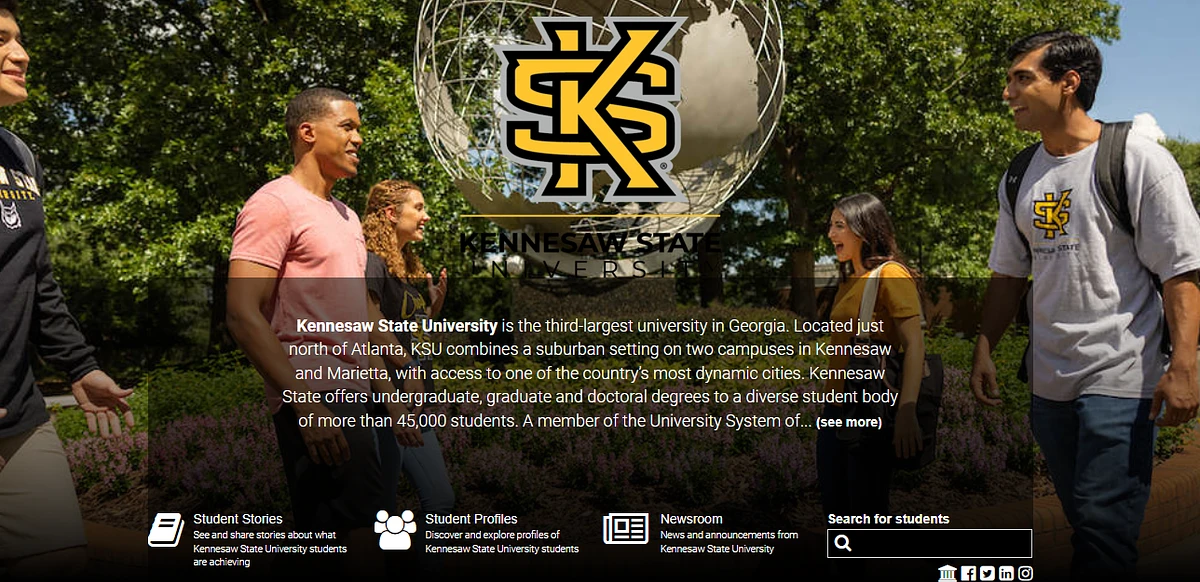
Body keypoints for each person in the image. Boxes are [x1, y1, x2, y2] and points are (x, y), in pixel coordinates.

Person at [971, 30, 1200, 577]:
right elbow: (1008, 274)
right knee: (1088, 524)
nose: (1008, 92)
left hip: (1122, 376)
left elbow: (1182, 269)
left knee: (1102, 531)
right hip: (1049, 382)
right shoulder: (1019, 175)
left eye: (1022, 78)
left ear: (1068, 83)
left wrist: (1185, 364)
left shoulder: (1137, 159)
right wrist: (984, 346)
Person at [0, 1, 135, 576]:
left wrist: (79, 365)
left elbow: (35, 278)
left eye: (19, 38)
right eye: (1, 40)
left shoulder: (18, 154)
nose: (22, 54)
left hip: (20, 419)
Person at [226, 87, 383, 552]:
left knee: (338, 538)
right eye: (347, 127)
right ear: (308, 132)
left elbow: (358, 315)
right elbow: (241, 313)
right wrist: (307, 404)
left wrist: (390, 392)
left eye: (359, 129)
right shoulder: (274, 204)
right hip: (318, 393)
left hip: (354, 392)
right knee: (357, 536)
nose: (359, 139)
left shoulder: (347, 217)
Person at [361, 179, 454, 566]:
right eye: (418, 207)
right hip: (385, 406)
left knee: (440, 503)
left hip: (416, 407)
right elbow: (367, 330)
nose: (425, 215)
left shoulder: (407, 269)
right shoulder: (372, 263)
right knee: (378, 510)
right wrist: (398, 395)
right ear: (390, 213)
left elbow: (414, 337)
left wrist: (432, 308)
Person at [818, 193, 926, 519]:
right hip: (835, 409)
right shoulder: (849, 280)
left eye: (839, 225)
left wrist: (906, 411)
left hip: (868, 408)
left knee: (865, 512)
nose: (830, 234)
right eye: (830, 225)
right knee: (836, 511)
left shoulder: (890, 275)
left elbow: (915, 345)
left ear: (864, 229)